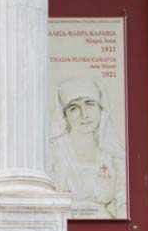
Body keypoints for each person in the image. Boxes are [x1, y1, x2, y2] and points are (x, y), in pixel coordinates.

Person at [49, 75, 127, 219]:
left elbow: (124, 203)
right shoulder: (53, 151)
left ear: (101, 109)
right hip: (62, 225)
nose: (84, 115)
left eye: (90, 104)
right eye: (73, 108)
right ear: (64, 115)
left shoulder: (113, 154)